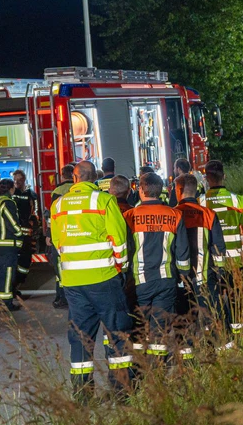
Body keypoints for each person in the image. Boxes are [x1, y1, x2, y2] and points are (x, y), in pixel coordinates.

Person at [50, 160, 133, 396]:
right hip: (105, 278)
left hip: (73, 283)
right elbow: (119, 239)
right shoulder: (104, 200)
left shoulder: (58, 205)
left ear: (74, 179)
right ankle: (121, 389)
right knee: (116, 332)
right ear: (94, 178)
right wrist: (121, 267)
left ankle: (82, 393)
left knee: (80, 337)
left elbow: (58, 243)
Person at [123, 172, 190, 361]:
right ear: (160, 191)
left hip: (138, 282)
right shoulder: (175, 215)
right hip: (166, 280)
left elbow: (125, 249)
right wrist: (183, 277)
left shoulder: (129, 216)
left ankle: (137, 369)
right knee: (159, 329)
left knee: (138, 327)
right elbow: (182, 251)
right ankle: (157, 372)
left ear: (141, 191)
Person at [203, 159, 243, 344]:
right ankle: (240, 337)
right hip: (235, 262)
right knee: (237, 300)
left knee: (214, 301)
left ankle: (220, 338)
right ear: (224, 176)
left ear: (207, 179)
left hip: (211, 264)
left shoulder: (201, 203)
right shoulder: (237, 200)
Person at [172, 173, 227, 341]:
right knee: (213, 320)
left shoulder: (173, 215)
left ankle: (187, 360)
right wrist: (220, 273)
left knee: (184, 324)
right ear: (196, 190)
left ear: (179, 190)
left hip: (181, 280)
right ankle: (216, 353)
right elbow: (218, 248)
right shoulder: (208, 214)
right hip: (205, 277)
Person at [0, 178, 26, 311]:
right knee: (7, 273)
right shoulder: (7, 203)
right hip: (8, 246)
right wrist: (20, 233)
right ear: (11, 189)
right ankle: (6, 303)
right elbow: (12, 222)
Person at [46, 164, 76, 309]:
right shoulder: (78, 189)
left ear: (62, 175)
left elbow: (53, 217)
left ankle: (61, 296)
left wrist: (49, 234)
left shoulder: (57, 191)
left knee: (60, 267)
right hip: (77, 231)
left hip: (62, 232)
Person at [11, 170, 39, 291]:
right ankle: (13, 286)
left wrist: (35, 224)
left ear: (24, 179)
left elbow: (35, 212)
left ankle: (18, 282)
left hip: (27, 235)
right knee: (13, 261)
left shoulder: (31, 194)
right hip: (13, 234)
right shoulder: (11, 194)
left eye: (19, 179)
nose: (17, 182)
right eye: (15, 180)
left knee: (25, 261)